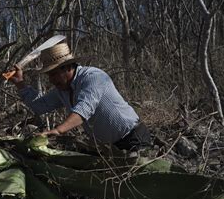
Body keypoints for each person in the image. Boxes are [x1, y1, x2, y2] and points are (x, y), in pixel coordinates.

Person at [9, 42, 151, 151]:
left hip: (133, 138)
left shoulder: (93, 77)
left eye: (53, 74)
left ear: (68, 67)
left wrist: (58, 130)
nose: (51, 80)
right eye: (49, 75)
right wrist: (20, 84)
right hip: (108, 148)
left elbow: (84, 109)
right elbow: (40, 106)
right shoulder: (62, 89)